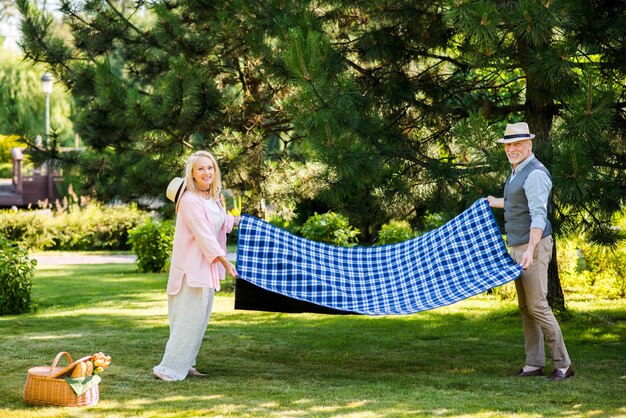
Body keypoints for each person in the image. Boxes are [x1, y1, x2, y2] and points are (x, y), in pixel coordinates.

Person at [486, 122, 574, 382]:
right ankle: (534, 363)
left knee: (537, 305)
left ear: (529, 145)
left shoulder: (535, 173)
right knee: (526, 308)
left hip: (532, 246)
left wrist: (531, 250)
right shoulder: (517, 171)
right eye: (508, 145)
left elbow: (538, 215)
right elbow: (518, 201)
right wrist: (494, 202)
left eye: (516, 144)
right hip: (518, 247)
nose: (511, 149)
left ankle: (563, 363)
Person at [153, 150, 240, 382]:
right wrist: (225, 261)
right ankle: (168, 369)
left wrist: (245, 221)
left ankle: (187, 364)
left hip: (205, 272)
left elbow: (222, 222)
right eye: (201, 168)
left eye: (210, 167)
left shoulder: (210, 200)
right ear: (191, 173)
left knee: (198, 323)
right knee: (186, 323)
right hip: (191, 272)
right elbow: (205, 237)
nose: (207, 172)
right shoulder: (190, 201)